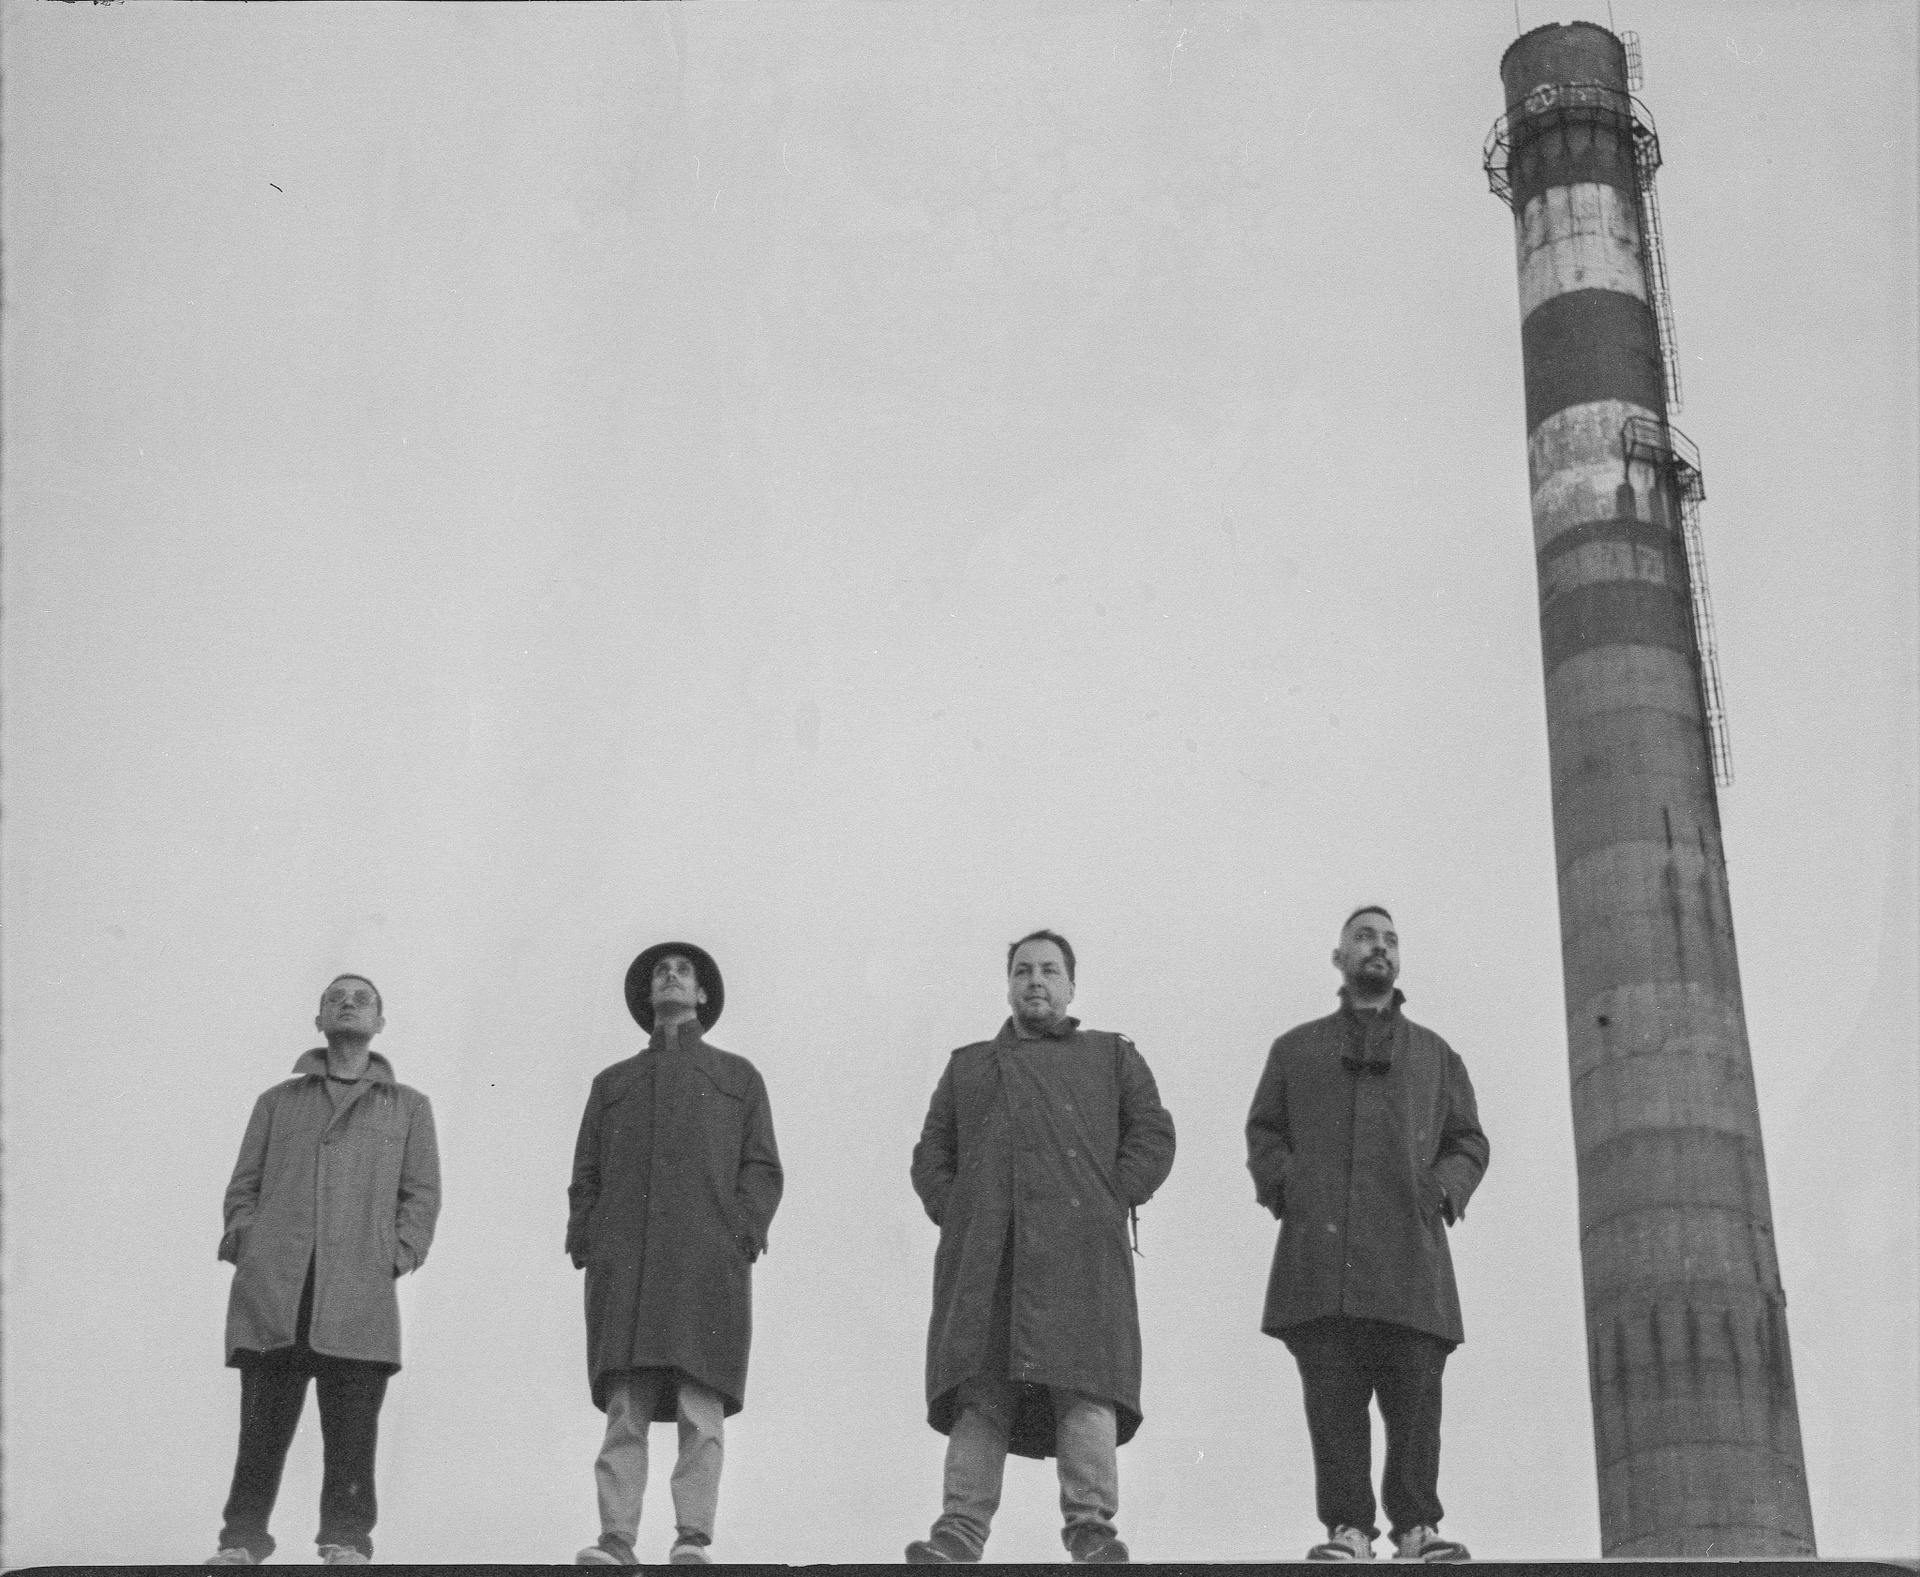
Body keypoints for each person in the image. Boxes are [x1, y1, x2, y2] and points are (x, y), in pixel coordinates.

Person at [907, 930, 1176, 1565]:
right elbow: (931, 1154)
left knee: (1085, 1388)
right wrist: (961, 1211)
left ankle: (1092, 1531)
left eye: (1050, 971)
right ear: (1008, 985)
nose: (1036, 981)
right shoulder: (968, 1066)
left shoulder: (1111, 1057)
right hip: (988, 1257)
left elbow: (1153, 1133)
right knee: (981, 1392)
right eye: (1023, 970)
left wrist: (1110, 1198)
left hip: (1081, 1254)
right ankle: (959, 1533)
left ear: (1071, 986)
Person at [1245, 907, 1490, 1563]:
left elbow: (1468, 1141)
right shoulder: (1295, 1049)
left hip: (1411, 1257)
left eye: (1389, 939)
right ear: (1339, 957)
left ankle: (1417, 1529)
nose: (1378, 947)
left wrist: (1439, 1190)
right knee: (1334, 1404)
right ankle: (1348, 1530)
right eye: (1364, 936)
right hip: (1321, 1259)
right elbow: (1265, 1133)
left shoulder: (1436, 1054)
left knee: (1415, 1402)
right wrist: (1292, 1189)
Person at [206, 974, 441, 1566]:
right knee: (261, 1431)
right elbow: (243, 1186)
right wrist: (249, 1243)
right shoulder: (277, 1102)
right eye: (336, 997)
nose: (348, 1003)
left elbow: (421, 1193)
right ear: (319, 1021)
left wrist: (398, 1253)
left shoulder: (409, 1107)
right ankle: (241, 1541)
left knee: (353, 1432)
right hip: (275, 1288)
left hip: (359, 1289)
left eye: (362, 999)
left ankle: (347, 1541)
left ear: (380, 1023)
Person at [566, 942, 783, 1566]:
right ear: (647, 993)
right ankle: (616, 1540)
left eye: (683, 970)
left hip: (705, 1264)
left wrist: (741, 1230)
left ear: (703, 993)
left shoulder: (737, 1078)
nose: (670, 976)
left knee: (699, 1403)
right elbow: (586, 1174)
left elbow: (762, 1168)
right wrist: (589, 1236)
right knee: (625, 1409)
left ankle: (692, 1538)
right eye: (661, 970)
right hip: (627, 1264)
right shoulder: (613, 1084)